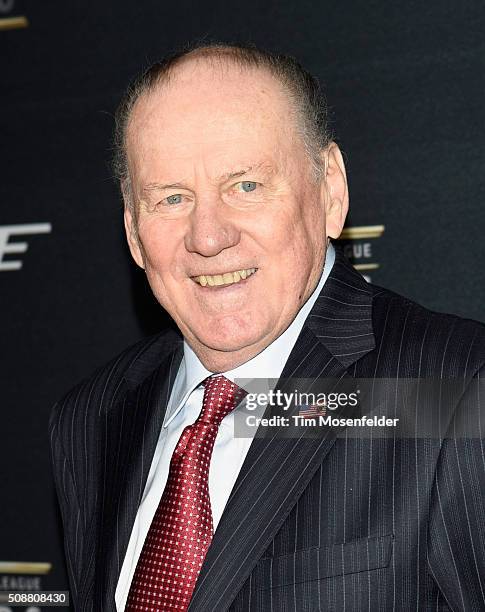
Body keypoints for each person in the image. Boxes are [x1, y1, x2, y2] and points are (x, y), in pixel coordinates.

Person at [49, 42, 485, 612]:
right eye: (172, 198)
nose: (208, 236)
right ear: (133, 231)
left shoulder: (455, 391)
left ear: (330, 190)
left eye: (246, 186)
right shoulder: (91, 419)